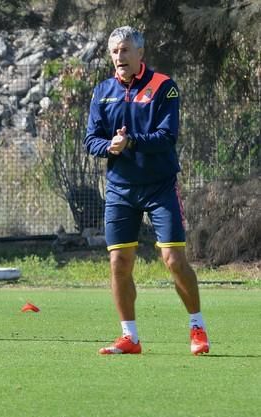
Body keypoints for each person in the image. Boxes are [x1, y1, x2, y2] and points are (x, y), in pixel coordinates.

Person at [84, 26, 209, 355]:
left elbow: (167, 136)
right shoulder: (103, 91)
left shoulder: (163, 87)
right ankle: (130, 337)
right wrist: (109, 146)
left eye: (125, 50)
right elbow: (91, 140)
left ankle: (197, 327)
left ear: (140, 54)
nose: (119, 57)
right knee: (119, 263)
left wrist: (131, 142)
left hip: (159, 187)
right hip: (120, 190)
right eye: (114, 51)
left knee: (174, 259)